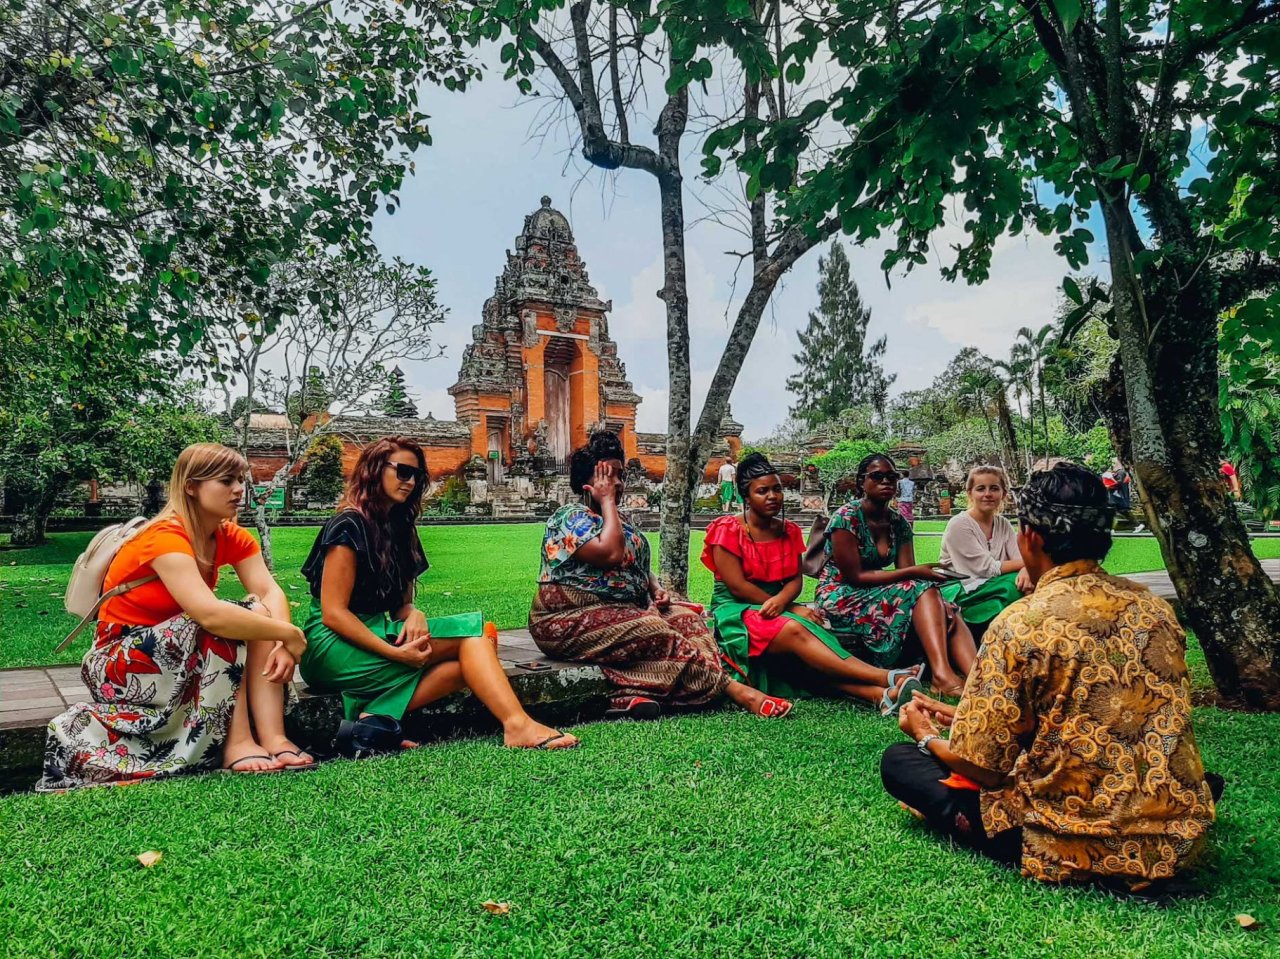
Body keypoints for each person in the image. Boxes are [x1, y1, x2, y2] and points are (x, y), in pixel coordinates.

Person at [881, 462, 1217, 891]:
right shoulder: (1155, 610)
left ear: (1031, 537)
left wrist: (924, 733)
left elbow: (984, 769)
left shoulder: (1021, 622)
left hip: (1071, 840)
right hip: (1177, 839)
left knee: (900, 762)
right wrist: (959, 711)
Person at [40, 444, 312, 790]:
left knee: (255, 613)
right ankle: (238, 742)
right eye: (226, 480)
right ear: (191, 486)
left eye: (240, 480)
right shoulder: (165, 536)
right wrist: (288, 634)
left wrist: (285, 640)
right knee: (225, 620)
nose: (239, 490)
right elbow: (208, 614)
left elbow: (270, 592)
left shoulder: (228, 536)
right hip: (118, 662)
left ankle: (274, 737)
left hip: (177, 652)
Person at [300, 436, 578, 751]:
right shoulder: (347, 525)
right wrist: (394, 653)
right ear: (375, 471)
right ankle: (517, 725)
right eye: (402, 471)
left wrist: (414, 613)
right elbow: (333, 613)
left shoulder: (401, 528)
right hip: (332, 645)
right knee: (473, 639)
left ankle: (374, 719)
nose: (410, 481)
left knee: (470, 663)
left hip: (375, 633)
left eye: (417, 475)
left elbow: (400, 607)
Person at [529, 431, 791, 720]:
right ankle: (736, 691)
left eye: (619, 474)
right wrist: (606, 502)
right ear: (587, 483)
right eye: (607, 475)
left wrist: (654, 587)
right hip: (565, 619)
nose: (616, 482)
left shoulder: (620, 521)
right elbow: (610, 554)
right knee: (651, 629)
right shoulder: (569, 517)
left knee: (689, 622)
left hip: (624, 611)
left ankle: (628, 695)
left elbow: (635, 563)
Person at [703, 453, 923, 714]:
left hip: (777, 606)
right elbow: (737, 587)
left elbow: (795, 580)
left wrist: (786, 602)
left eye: (777, 489)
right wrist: (788, 607)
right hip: (736, 610)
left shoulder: (789, 531)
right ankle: (885, 677)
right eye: (762, 491)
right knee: (796, 629)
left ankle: (881, 696)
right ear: (746, 497)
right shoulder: (726, 529)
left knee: (807, 656)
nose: (773, 496)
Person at [814, 454, 977, 698]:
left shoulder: (898, 522)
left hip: (875, 591)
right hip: (840, 594)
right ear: (861, 482)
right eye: (877, 476)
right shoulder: (846, 518)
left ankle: (978, 678)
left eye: (892, 477)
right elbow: (854, 576)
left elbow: (908, 577)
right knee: (923, 589)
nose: (886, 482)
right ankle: (942, 675)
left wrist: (920, 579)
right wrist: (914, 573)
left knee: (947, 606)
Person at [937, 466, 1030, 629]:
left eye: (994, 488)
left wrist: (1026, 569)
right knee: (1013, 586)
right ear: (970, 493)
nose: (988, 494)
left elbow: (1019, 558)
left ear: (1004, 494)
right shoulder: (959, 524)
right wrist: (1028, 565)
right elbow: (987, 569)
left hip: (992, 584)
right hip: (961, 588)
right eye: (981, 489)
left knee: (1025, 581)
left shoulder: (1003, 524)